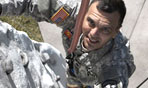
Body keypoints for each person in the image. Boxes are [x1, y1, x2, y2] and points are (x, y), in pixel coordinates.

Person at [0, 0, 136, 88]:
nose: (93, 33)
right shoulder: (73, 15)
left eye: (105, 29)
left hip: (93, 78)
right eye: (91, 22)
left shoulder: (115, 66)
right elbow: (31, 3)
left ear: (115, 32)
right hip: (73, 68)